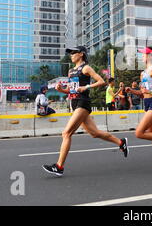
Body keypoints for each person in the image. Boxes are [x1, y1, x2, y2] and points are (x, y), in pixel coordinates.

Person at [42, 46, 128, 177]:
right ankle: (121, 142)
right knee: (95, 133)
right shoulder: (71, 71)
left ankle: (59, 166)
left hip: (83, 102)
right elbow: (72, 89)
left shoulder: (86, 68)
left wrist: (86, 86)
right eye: (70, 53)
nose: (71, 55)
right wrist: (61, 90)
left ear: (81, 54)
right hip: (74, 103)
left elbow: (101, 81)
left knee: (66, 133)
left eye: (73, 52)